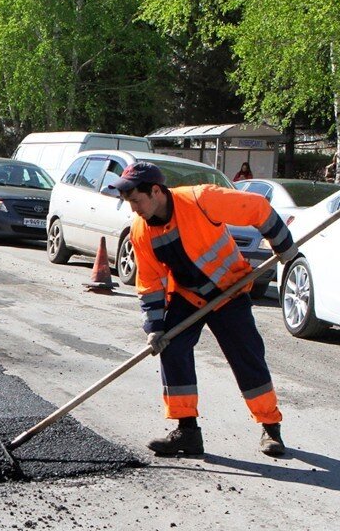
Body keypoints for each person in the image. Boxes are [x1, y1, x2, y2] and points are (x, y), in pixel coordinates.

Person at [109, 162, 297, 458]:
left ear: (156, 191)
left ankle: (270, 427)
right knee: (171, 348)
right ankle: (188, 432)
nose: (133, 209)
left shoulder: (200, 199)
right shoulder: (141, 230)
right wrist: (155, 327)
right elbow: (149, 281)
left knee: (247, 356)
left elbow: (257, 208)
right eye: (129, 202)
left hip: (229, 291)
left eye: (136, 201)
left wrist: (283, 244)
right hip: (189, 295)